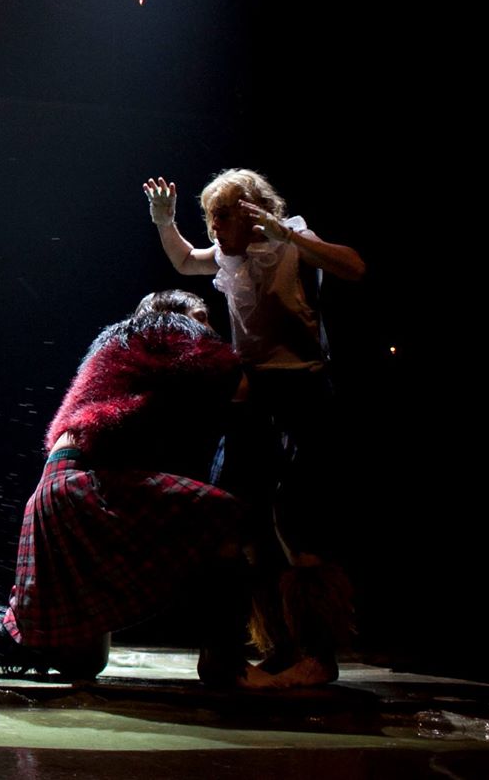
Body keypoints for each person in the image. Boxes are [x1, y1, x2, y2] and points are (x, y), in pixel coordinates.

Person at [0, 312, 278, 689]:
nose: (208, 329)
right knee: (225, 516)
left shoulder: (123, 357)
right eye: (199, 318)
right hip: (85, 485)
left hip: (55, 489)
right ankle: (227, 667)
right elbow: (241, 385)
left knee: (83, 660)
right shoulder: (167, 337)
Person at [143, 169, 365, 687]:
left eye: (223, 215)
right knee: (235, 518)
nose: (214, 227)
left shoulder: (292, 241)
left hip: (303, 391)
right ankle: (273, 648)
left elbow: (355, 267)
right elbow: (184, 260)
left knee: (297, 521)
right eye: (210, 217)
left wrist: (289, 236)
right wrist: (164, 221)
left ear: (252, 212)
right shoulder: (228, 256)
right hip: (253, 396)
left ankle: (318, 655)